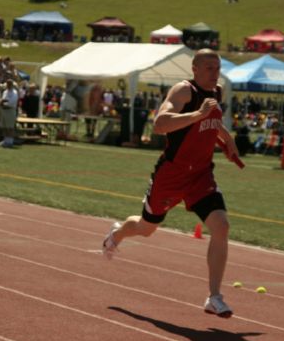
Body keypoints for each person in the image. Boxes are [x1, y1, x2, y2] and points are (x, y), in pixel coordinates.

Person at [101, 49, 241, 318]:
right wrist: (197, 114)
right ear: (195, 69)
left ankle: (214, 297)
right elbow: (160, 124)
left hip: (201, 175)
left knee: (221, 226)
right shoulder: (183, 92)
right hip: (171, 175)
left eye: (218, 67)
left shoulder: (217, 92)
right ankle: (116, 234)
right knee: (145, 228)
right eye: (209, 68)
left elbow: (212, 121)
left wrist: (227, 139)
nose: (215, 73)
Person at [0, 79, 19, 148]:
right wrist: (2, 102)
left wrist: (4, 103)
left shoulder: (14, 92)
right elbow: (2, 99)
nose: (8, 85)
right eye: (7, 84)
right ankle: (5, 140)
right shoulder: (5, 92)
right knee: (4, 127)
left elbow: (12, 102)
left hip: (10, 110)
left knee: (10, 127)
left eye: (9, 84)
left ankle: (10, 142)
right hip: (4, 110)